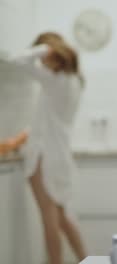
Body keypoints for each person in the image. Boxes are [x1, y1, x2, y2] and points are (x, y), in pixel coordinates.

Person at [1, 32, 87, 264]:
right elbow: (48, 122)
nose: (41, 62)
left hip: (44, 159)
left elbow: (18, 59)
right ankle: (87, 260)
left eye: (44, 55)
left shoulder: (53, 79)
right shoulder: (75, 81)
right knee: (62, 218)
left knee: (49, 220)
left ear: (52, 54)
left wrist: (44, 48)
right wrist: (20, 138)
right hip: (60, 157)